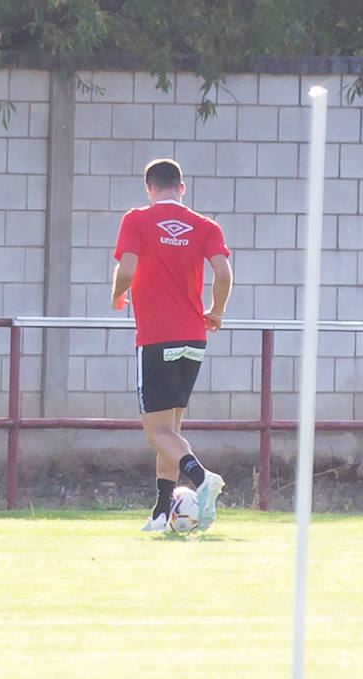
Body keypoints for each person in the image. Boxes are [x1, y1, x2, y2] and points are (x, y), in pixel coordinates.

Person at [111, 158, 233, 533]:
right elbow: (224, 273)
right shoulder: (205, 225)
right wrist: (217, 311)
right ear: (182, 187)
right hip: (194, 338)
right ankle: (162, 512)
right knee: (172, 429)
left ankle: (201, 477)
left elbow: (128, 268)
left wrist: (118, 293)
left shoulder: (137, 219)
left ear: (149, 188)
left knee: (157, 432)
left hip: (157, 337)